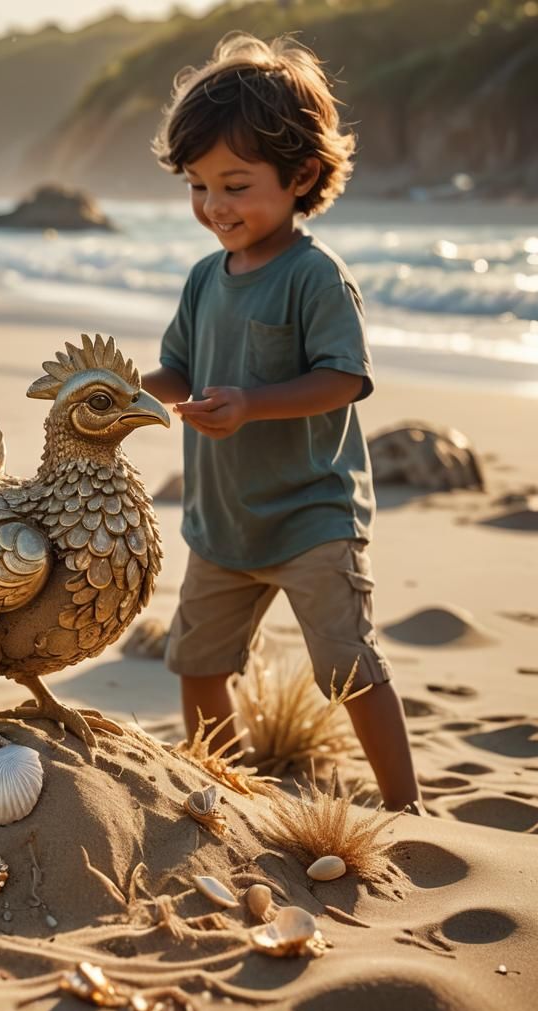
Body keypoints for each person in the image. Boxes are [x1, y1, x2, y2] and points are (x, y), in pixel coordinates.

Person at [141, 31, 421, 811]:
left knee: (346, 664)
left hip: (310, 513)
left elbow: (343, 379)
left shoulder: (313, 275)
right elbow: (179, 371)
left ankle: (406, 805)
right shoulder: (205, 279)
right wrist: (127, 392)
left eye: (234, 185)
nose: (213, 207)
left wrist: (252, 403)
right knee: (198, 663)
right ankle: (223, 794)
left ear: (300, 175)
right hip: (222, 520)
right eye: (197, 187)